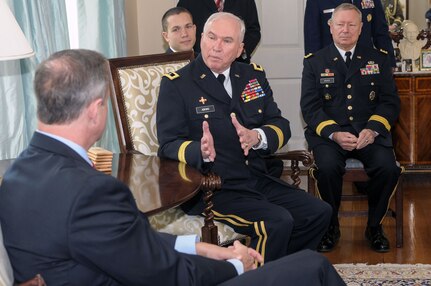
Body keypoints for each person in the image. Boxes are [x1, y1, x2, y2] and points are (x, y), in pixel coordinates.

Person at [0, 49, 346, 286]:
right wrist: (236, 264)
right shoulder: (92, 190)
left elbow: (125, 242)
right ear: (95, 110)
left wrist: (198, 245)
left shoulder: (16, 174)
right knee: (313, 267)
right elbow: (165, 274)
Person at [157, 12, 332, 265]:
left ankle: (283, 270)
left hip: (256, 178)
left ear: (240, 49)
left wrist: (258, 136)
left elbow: (279, 124)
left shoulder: (252, 76)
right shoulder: (177, 84)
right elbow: (168, 144)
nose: (216, 47)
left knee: (318, 213)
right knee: (276, 222)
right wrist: (200, 150)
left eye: (227, 41)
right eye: (211, 37)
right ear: (201, 39)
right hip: (214, 188)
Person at [301, 3, 402, 253]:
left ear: (360, 28)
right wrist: (334, 133)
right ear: (330, 27)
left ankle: (374, 226)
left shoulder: (377, 59)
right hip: (330, 135)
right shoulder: (315, 62)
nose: (345, 30)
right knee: (326, 168)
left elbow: (390, 102)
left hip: (369, 133)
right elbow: (310, 107)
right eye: (340, 24)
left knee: (388, 168)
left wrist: (373, 129)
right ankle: (330, 226)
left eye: (351, 25)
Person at [304, 0, 396, 66]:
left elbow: (381, 32)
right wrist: (313, 66)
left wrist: (390, 62)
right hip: (331, 64)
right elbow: (312, 37)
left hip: (365, 63)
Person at [177, 0, 261, 63]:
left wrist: (240, 52)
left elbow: (253, 31)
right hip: (201, 64)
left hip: (237, 63)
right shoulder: (187, 2)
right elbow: (182, 28)